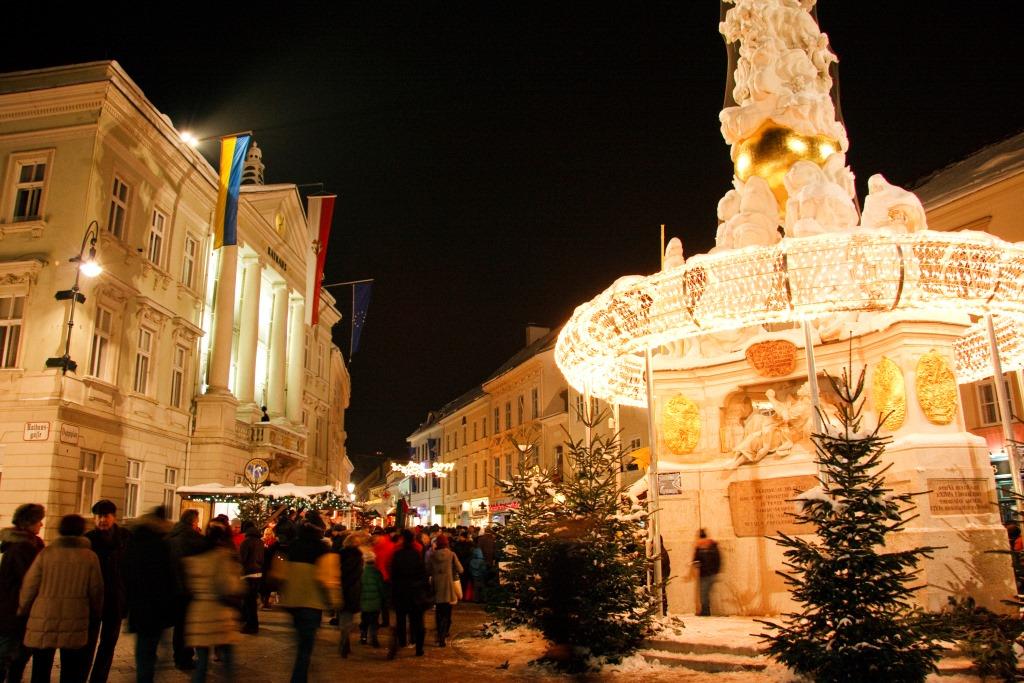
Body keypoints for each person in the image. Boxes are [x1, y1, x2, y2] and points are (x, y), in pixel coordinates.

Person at [19, 514, 103, 683]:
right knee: (71, 670)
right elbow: (96, 590)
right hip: (75, 618)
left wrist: (23, 609)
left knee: (40, 669)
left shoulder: (47, 553)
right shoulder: (89, 557)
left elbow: (30, 585)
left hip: (44, 617)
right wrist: (95, 612)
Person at [277, 514, 341, 682]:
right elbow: (327, 579)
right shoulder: (322, 550)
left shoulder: (292, 547)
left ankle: (301, 676)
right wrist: (335, 602)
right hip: (311, 604)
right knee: (305, 649)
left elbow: (281, 573)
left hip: (292, 602)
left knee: (302, 646)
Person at [182, 521, 244, 682]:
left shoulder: (194, 557)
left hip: (198, 612)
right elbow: (228, 585)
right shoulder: (221, 557)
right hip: (218, 614)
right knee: (228, 662)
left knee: (202, 663)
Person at [123, 506, 177, 683]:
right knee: (153, 650)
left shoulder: (134, 541)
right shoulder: (160, 544)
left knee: (145, 649)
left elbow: (126, 575)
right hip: (156, 607)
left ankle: (143, 676)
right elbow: (168, 577)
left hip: (139, 607)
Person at [84, 499, 130, 683]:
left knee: (108, 643)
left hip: (116, 598)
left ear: (114, 517)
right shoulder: (88, 539)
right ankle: (83, 674)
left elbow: (130, 567)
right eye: (99, 516)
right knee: (87, 643)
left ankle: (99, 678)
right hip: (93, 599)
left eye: (106, 516)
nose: (102, 520)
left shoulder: (125, 537)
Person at [0, 503, 45, 682]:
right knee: (10, 657)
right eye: (39, 521)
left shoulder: (23, 545)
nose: (41, 525)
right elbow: (29, 580)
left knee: (15, 657)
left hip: (13, 611)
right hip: (14, 611)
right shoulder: (22, 548)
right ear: (29, 523)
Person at [166, 509, 207, 670]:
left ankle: (178, 656)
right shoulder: (193, 539)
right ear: (193, 522)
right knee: (187, 625)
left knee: (179, 626)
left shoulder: (170, 537)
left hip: (173, 589)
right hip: (189, 589)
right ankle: (185, 658)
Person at [389, 529, 430, 658]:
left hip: (401, 592)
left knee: (401, 619)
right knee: (417, 621)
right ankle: (419, 648)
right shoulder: (416, 554)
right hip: (415, 593)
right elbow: (423, 574)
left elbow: (393, 574)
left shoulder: (397, 554)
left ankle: (402, 642)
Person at [427, 534, 462, 647]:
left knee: (439, 612)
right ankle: (444, 634)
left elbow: (427, 570)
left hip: (436, 586)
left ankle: (439, 634)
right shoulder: (451, 554)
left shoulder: (432, 555)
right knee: (447, 612)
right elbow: (460, 569)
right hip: (448, 587)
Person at [337, 532, 365, 656]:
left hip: (342, 588)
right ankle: (345, 641)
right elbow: (359, 573)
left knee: (344, 617)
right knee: (354, 618)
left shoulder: (340, 554)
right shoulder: (359, 556)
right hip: (354, 589)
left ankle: (344, 640)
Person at [238, 520, 265, 634]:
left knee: (249, 602)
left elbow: (242, 559)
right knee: (251, 600)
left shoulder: (246, 542)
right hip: (258, 573)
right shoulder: (259, 541)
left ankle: (252, 625)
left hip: (248, 573)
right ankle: (249, 623)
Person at [358, 553, 385, 649]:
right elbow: (381, 587)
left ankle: (363, 636)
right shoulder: (377, 572)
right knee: (374, 621)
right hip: (375, 602)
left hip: (364, 602)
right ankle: (374, 638)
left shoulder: (361, 572)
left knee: (364, 620)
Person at [692, 529, 721, 617]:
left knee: (704, 593)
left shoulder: (700, 547)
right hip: (710, 573)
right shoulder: (713, 545)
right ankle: (705, 610)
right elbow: (718, 559)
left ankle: (705, 611)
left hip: (705, 573)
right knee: (705, 593)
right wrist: (716, 571)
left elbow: (696, 559)